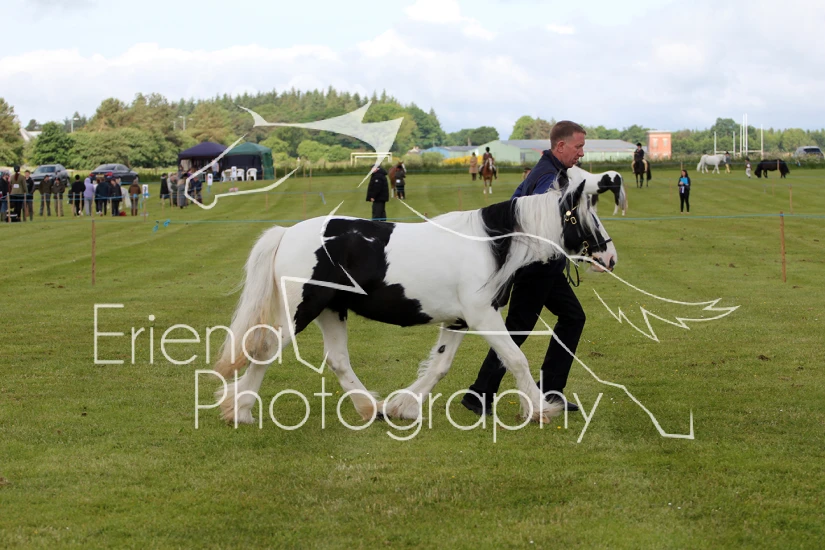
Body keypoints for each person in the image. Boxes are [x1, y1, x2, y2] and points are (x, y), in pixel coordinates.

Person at [462, 120, 591, 416]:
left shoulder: (548, 171)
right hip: (536, 267)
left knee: (572, 317)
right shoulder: (549, 178)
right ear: (561, 146)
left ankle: (549, 391)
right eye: (579, 146)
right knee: (518, 330)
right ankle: (479, 393)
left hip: (544, 266)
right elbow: (536, 221)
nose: (581, 153)